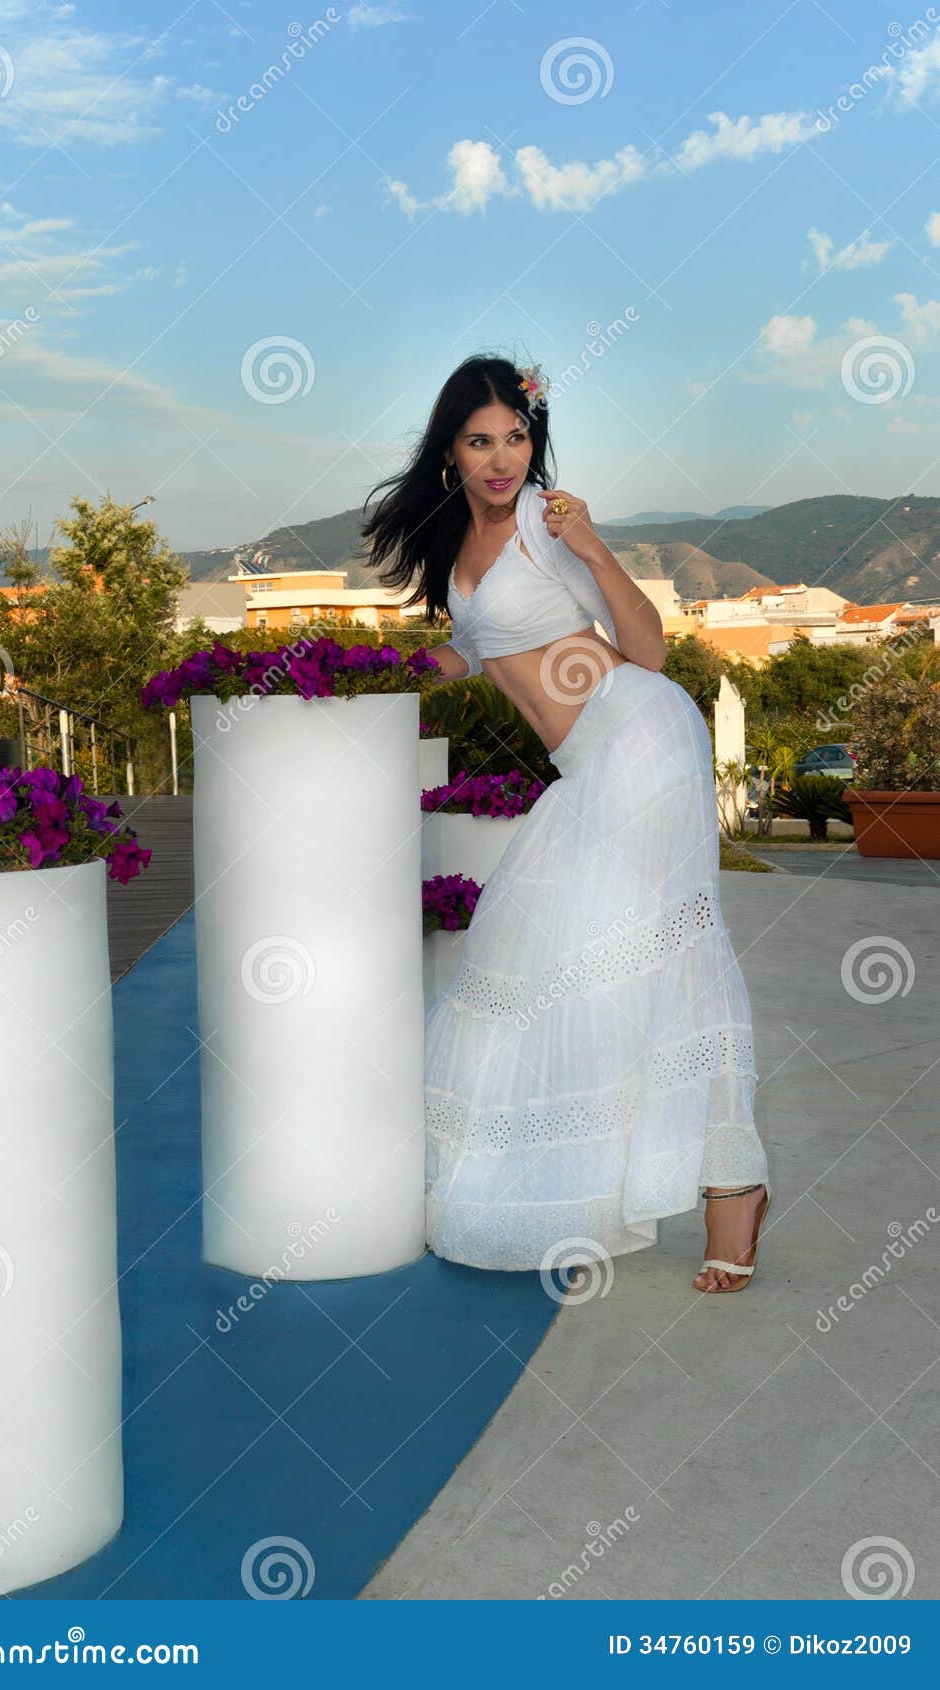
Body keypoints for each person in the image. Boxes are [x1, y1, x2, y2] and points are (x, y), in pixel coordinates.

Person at [361, 353, 771, 1293]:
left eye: (515, 437)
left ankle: (729, 1187)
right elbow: (474, 652)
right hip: (588, 762)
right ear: (450, 454)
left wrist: (594, 549)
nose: (501, 459)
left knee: (646, 954)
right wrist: (359, 677)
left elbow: (649, 651)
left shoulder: (549, 531)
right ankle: (711, 1183)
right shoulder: (456, 549)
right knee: (553, 954)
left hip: (641, 738)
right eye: (479, 441)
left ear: (532, 440)